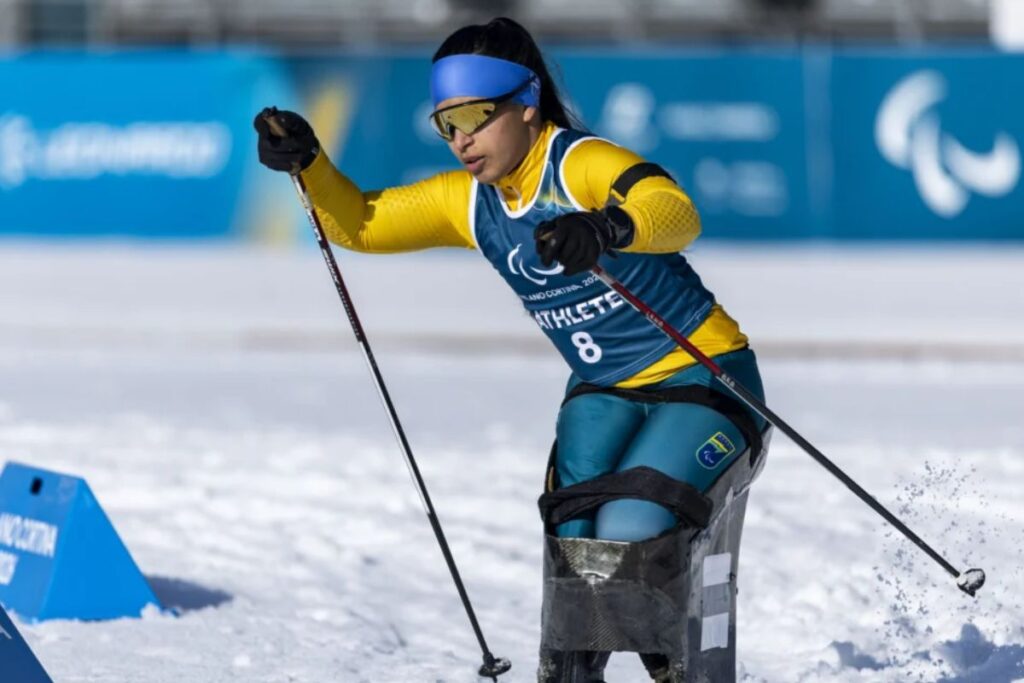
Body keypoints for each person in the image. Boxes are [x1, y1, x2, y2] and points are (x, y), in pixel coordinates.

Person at [255, 17, 767, 683]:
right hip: (603, 387)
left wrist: (607, 225)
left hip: (708, 377)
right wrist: (310, 166)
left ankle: (678, 662)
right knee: (575, 544)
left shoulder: (577, 162)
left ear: (526, 104)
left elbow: (674, 210)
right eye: (446, 124)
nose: (461, 139)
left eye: (473, 116)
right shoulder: (471, 203)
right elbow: (358, 222)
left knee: (633, 522)